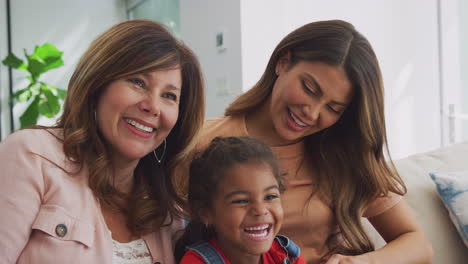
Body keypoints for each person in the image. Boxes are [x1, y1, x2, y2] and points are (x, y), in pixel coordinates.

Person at [175, 20, 432, 263]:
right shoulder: (201, 143)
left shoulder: (343, 154)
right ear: (283, 62)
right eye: (309, 89)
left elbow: (418, 244)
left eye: (333, 108)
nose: (312, 112)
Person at [0, 19, 205, 264]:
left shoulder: (167, 208)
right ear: (98, 83)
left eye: (169, 96)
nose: (153, 106)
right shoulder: (31, 155)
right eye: (138, 82)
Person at [175, 136, 306, 264]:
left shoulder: (286, 255)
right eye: (241, 201)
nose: (260, 210)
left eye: (270, 197)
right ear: (205, 213)